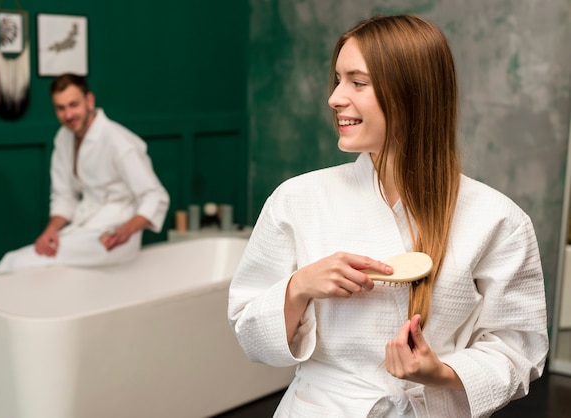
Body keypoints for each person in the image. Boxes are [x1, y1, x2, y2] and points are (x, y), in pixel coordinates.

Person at [228, 14, 548, 417]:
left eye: (358, 82)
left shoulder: (498, 219)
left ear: (412, 93)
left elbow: (520, 348)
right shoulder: (297, 200)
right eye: (338, 80)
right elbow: (248, 331)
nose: (334, 98)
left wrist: (442, 372)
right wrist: (299, 286)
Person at [0, 73, 169, 273]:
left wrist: (125, 231)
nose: (68, 115)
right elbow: (64, 197)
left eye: (73, 105)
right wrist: (49, 232)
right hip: (86, 227)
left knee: (15, 263)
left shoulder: (118, 141)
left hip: (113, 237)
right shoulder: (63, 138)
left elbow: (156, 195)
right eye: (60, 108)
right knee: (14, 261)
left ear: (89, 100)